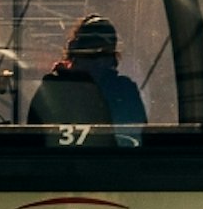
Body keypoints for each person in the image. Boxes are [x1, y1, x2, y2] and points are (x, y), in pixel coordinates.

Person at [24, 14, 148, 142]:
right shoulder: (53, 89)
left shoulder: (124, 91)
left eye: (103, 55)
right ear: (75, 55)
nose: (97, 63)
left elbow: (134, 138)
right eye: (89, 56)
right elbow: (34, 143)